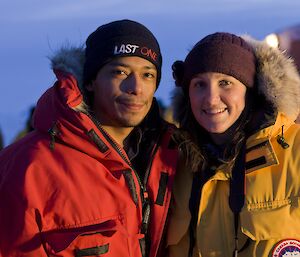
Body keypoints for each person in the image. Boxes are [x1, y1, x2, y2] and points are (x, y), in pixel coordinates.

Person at [0, 19, 178, 257]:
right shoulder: (26, 167)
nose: (136, 87)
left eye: (147, 74)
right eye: (120, 72)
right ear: (91, 81)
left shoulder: (173, 158)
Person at [167, 32, 300, 257]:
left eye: (225, 83)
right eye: (199, 84)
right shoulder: (175, 164)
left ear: (250, 91)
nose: (211, 98)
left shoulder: (294, 152)